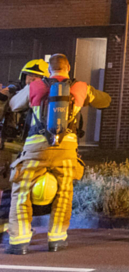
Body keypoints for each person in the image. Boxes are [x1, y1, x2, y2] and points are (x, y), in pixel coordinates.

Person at [5, 54, 110, 254]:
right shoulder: (80, 87)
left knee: (21, 191)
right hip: (67, 148)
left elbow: (14, 105)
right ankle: (57, 239)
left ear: (49, 70)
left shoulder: (36, 86)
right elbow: (105, 101)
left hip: (37, 147)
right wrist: (83, 98)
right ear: (68, 68)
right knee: (64, 193)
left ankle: (19, 241)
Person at [0, 61, 48, 234]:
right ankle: (5, 227)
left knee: (23, 191)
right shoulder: (10, 93)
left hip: (30, 149)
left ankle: (16, 226)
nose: (32, 80)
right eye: (29, 76)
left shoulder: (45, 97)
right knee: (8, 188)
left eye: (36, 77)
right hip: (9, 148)